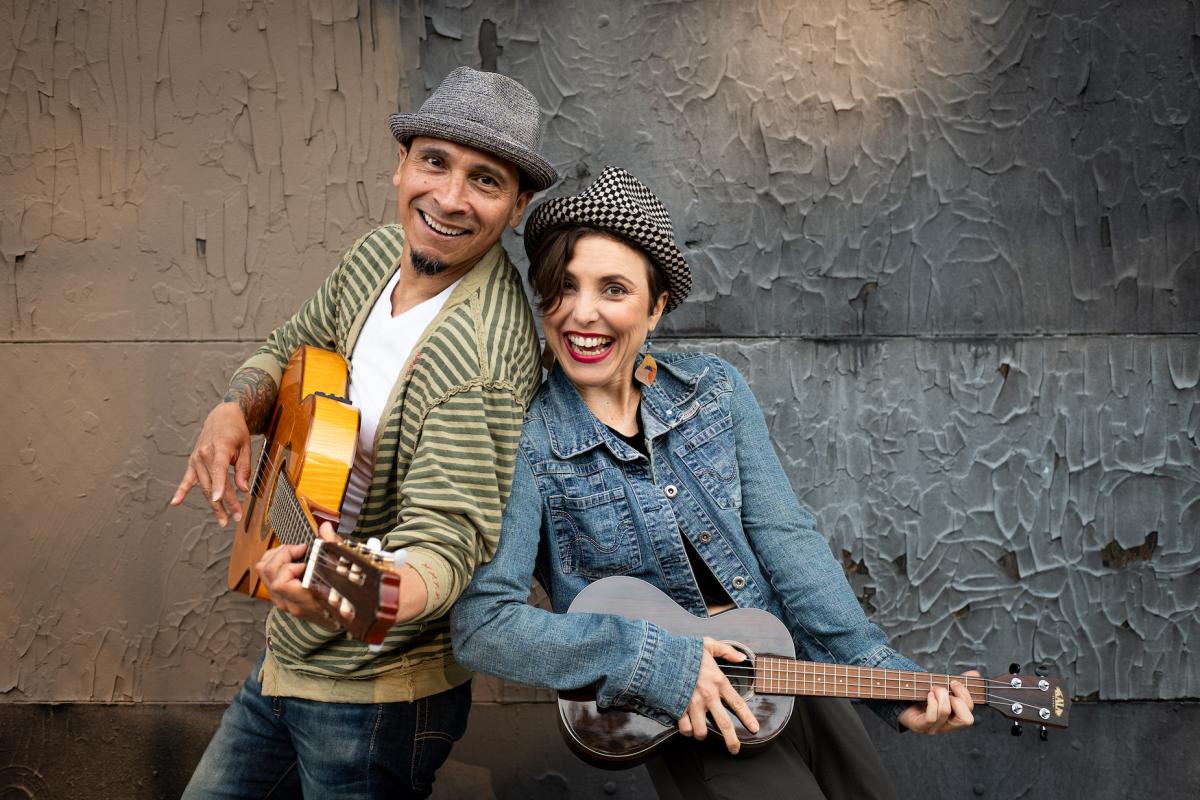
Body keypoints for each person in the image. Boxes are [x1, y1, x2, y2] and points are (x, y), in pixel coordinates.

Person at [451, 166, 977, 799]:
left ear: (657, 304)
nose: (581, 314)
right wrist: (653, 661)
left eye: (613, 289)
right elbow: (485, 626)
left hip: (794, 672)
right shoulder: (528, 438)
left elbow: (791, 549)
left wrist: (888, 684)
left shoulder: (713, 392)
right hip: (695, 716)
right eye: (564, 287)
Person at [170, 66, 557, 799]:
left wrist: (353, 596)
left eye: (485, 180)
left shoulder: (475, 359)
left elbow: (447, 548)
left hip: (375, 702)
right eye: (434, 162)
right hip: (291, 658)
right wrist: (233, 410)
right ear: (400, 164)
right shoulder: (378, 255)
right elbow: (293, 346)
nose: (448, 198)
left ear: (517, 206)